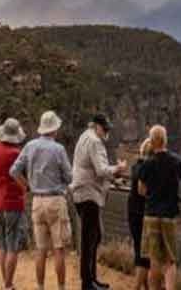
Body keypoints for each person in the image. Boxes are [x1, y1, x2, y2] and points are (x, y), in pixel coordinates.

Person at [10, 111, 73, 290]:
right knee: (59, 249)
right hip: (55, 200)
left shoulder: (30, 146)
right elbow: (69, 177)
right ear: (54, 129)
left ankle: (40, 287)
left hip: (37, 201)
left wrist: (27, 186)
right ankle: (61, 287)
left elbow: (13, 171)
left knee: (41, 249)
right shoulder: (59, 149)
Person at [71, 114, 127, 290]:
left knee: (92, 237)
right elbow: (101, 170)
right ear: (97, 126)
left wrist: (113, 179)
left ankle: (91, 279)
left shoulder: (84, 136)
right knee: (90, 239)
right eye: (105, 128)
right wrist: (118, 169)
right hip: (89, 194)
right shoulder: (95, 141)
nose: (106, 131)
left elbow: (91, 168)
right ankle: (87, 282)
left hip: (82, 192)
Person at [138, 125, 181, 290]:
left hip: (151, 214)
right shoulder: (176, 161)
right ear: (165, 140)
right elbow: (179, 183)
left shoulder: (147, 164)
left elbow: (141, 190)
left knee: (154, 260)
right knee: (170, 260)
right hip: (169, 215)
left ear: (152, 141)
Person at [0, 117, 28, 290]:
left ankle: (6, 281)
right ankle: (8, 284)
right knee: (13, 244)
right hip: (13, 202)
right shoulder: (16, 153)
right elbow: (23, 177)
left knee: (2, 245)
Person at [128, 138, 153, 290]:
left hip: (132, 211)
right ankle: (137, 287)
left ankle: (146, 287)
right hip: (142, 213)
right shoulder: (146, 168)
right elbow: (142, 191)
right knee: (144, 254)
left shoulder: (135, 166)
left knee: (139, 249)